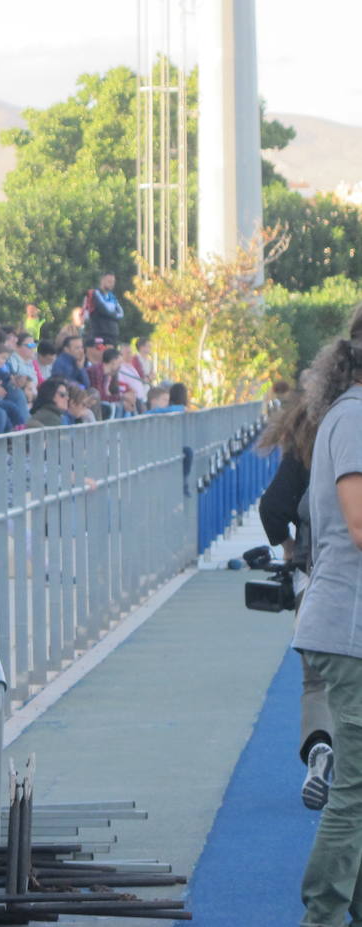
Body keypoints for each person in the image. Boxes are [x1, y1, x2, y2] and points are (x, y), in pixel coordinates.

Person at [294, 311, 362, 924]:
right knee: (356, 791)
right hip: (349, 631)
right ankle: (322, 916)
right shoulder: (357, 418)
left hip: (348, 627)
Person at [257, 391, 335, 810]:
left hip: (319, 578)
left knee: (317, 681)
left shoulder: (310, 433)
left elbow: (272, 506)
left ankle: (319, 745)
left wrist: (288, 546)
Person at [83, 272, 124, 345]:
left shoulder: (112, 297)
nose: (112, 284)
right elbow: (103, 310)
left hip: (113, 334)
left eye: (113, 282)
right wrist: (114, 314)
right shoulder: (95, 293)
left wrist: (113, 314)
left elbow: (121, 313)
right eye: (109, 281)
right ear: (102, 281)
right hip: (100, 334)